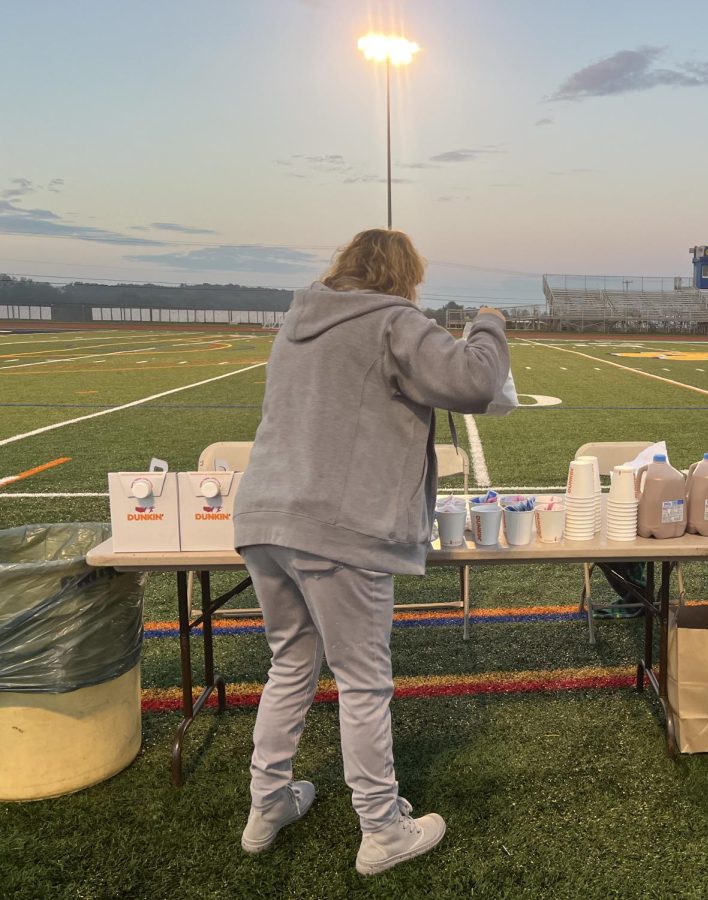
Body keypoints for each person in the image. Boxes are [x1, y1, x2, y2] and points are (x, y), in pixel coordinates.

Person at [232, 228, 510, 875]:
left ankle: (267, 803)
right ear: (403, 275)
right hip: (338, 526)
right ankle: (381, 829)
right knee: (361, 682)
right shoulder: (392, 320)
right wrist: (490, 324)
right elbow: (473, 381)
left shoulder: (299, 321)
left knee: (291, 665)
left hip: (264, 517)